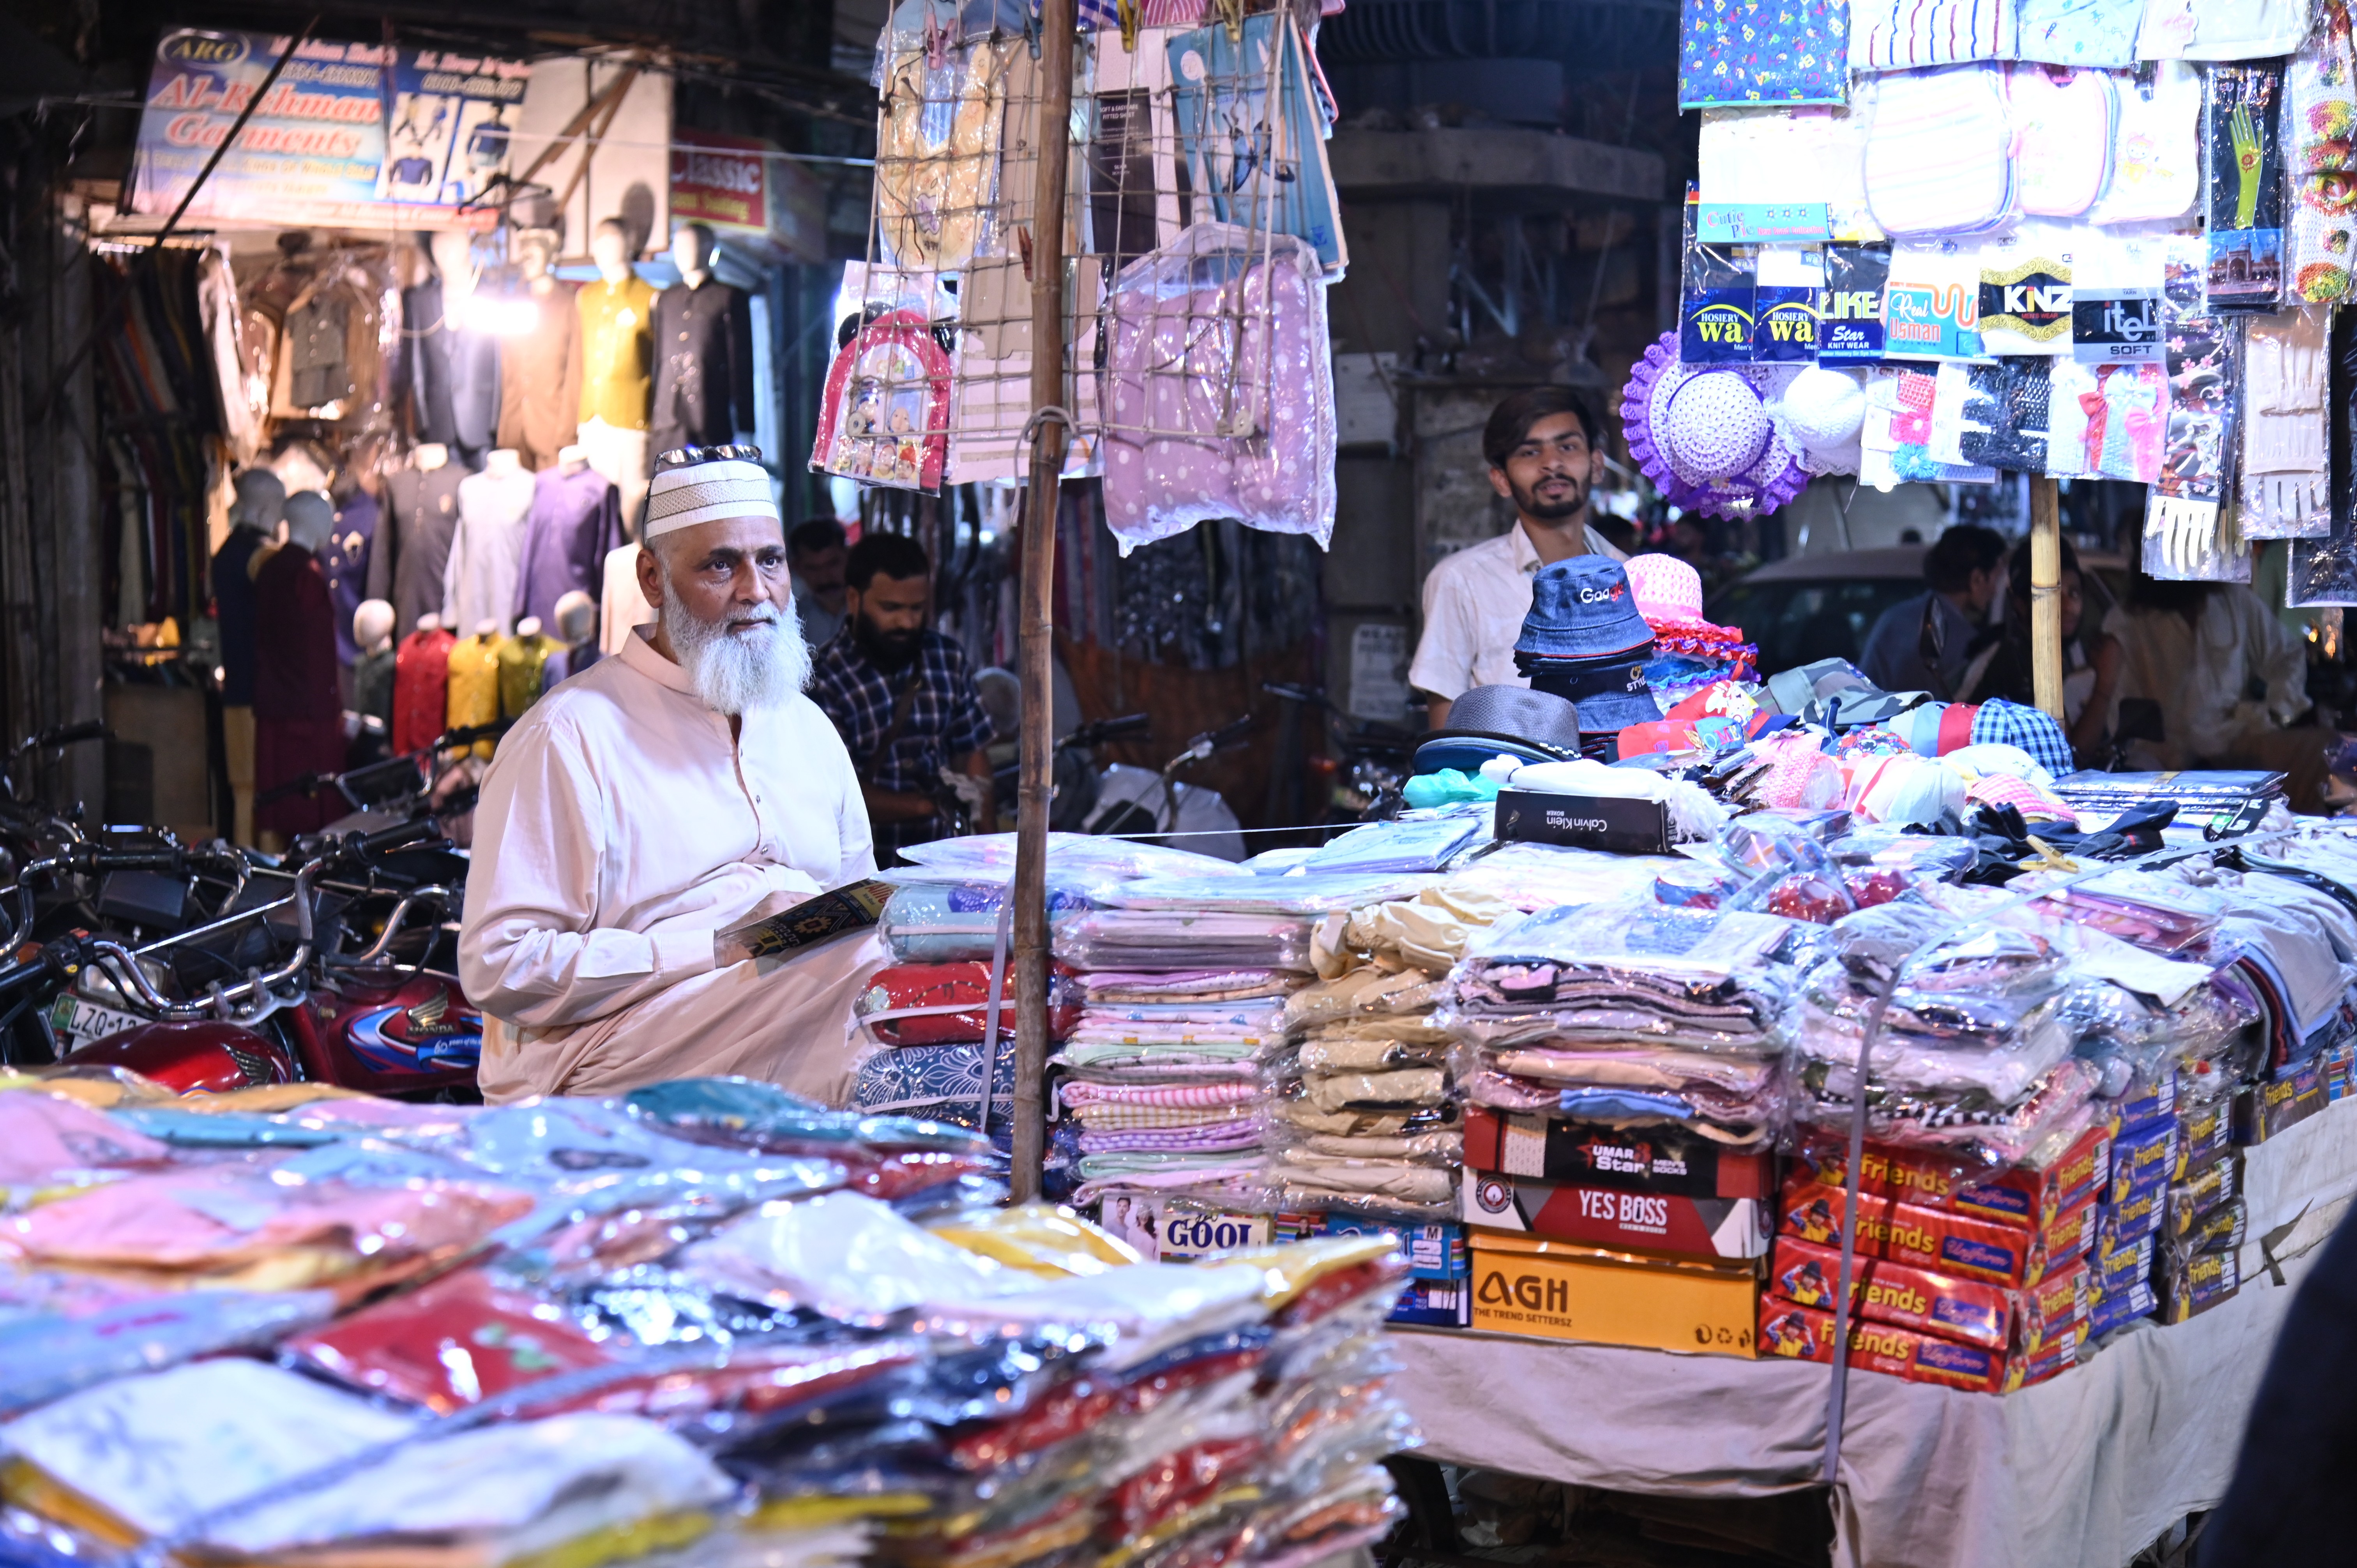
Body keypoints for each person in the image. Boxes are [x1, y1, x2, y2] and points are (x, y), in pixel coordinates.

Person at [458, 448, 884, 1106]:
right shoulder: (568, 736)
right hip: (602, 1058)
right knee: (864, 979)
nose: (755, 589)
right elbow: (501, 965)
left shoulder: (804, 727)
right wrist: (718, 945)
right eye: (721, 564)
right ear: (652, 579)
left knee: (917, 959)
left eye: (770, 560)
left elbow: (854, 900)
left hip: (795, 1013)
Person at [1408, 387, 1627, 729]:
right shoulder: (1463, 580)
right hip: (1506, 783)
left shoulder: (1631, 576)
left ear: (1596, 465)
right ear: (1501, 480)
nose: (1552, 464)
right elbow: (1446, 731)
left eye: (1567, 447)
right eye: (1530, 452)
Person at [809, 531, 995, 860]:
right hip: (864, 872)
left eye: (917, 608)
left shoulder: (946, 659)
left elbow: (972, 752)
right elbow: (832, 793)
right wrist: (928, 805)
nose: (906, 622)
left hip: (945, 862)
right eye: (891, 608)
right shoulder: (824, 679)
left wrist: (989, 854)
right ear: (854, 600)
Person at [2110, 560, 2331, 812]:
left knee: (2326, 754)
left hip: (2237, 742)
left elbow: (2287, 655)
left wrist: (2278, 712)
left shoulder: (2232, 600)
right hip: (2166, 763)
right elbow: (2120, 717)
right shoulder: (2126, 621)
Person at [1965, 539, 2123, 766]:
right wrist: (2105, 686)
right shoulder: (2011, 660)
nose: (2068, 607)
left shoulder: (2074, 650)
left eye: (2075, 593)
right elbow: (2071, 756)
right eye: (2054, 594)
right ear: (2020, 603)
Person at [251, 491, 346, 846]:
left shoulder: (270, 570)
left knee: (284, 805)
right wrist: (332, 713)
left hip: (278, 707)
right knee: (308, 808)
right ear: (313, 523)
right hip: (307, 716)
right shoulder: (306, 576)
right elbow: (317, 657)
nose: (331, 527)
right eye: (327, 519)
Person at [214, 468, 284, 846]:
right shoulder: (263, 557)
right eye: (277, 506)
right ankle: (265, 872)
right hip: (263, 693)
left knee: (242, 788)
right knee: (267, 789)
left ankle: (243, 863)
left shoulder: (225, 553)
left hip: (237, 688)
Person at [1857, 524, 2007, 696]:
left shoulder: (1893, 618)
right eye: (1998, 579)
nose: (1996, 591)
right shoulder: (1963, 640)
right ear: (1978, 579)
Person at [789, 518, 850, 650]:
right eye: (812, 568)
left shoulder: (872, 610)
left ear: (849, 556)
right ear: (797, 568)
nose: (825, 578)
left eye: (833, 564)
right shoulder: (791, 621)